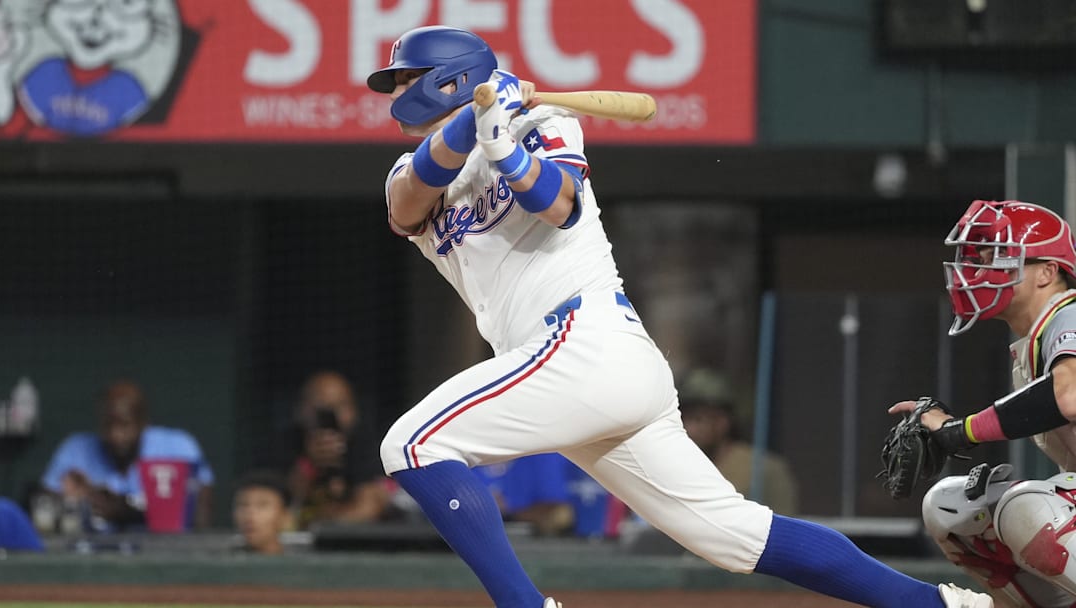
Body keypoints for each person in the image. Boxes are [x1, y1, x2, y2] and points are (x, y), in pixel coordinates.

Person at [368, 24, 991, 608]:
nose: (393, 91)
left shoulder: (543, 120)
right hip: (569, 368)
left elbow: (558, 205)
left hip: (584, 341)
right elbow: (409, 199)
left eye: (402, 78)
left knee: (414, 444)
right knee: (733, 535)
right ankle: (938, 604)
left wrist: (503, 144)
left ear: (443, 79)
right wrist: (476, 124)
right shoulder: (414, 167)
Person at [888, 200, 1076, 608]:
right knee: (953, 509)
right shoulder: (1036, 338)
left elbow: (1068, 396)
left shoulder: (1072, 313)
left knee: (1024, 507)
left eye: (1002, 259)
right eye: (984, 258)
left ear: (1048, 271)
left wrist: (962, 430)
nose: (981, 270)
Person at [39, 379, 213, 533]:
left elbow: (199, 519)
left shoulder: (178, 448)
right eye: (108, 425)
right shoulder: (76, 449)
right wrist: (78, 499)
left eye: (125, 425)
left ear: (144, 423)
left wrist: (127, 511)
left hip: (160, 557)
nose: (115, 435)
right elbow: (44, 505)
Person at [281, 370, 390, 529]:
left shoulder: (367, 445)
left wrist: (321, 525)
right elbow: (278, 505)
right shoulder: (286, 443)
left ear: (354, 411)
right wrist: (310, 463)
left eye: (340, 405)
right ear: (300, 410)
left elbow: (369, 508)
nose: (332, 414)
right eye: (322, 406)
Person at [679, 393, 799, 515]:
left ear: (722, 423)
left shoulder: (763, 467)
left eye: (698, 420)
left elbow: (784, 521)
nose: (689, 428)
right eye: (682, 420)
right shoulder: (682, 464)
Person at [474, 453, 575, 537]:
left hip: (527, 537)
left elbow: (558, 511)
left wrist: (508, 512)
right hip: (472, 533)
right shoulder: (465, 448)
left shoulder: (542, 455)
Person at [232, 469, 291, 554]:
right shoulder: (223, 562)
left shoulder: (301, 564)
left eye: (262, 505)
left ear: (285, 516)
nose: (249, 513)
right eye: (243, 504)